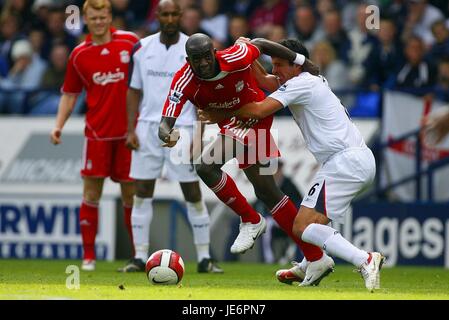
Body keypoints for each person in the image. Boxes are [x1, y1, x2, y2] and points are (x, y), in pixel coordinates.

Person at [199, 38, 385, 292]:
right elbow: (265, 80)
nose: (275, 71)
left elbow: (258, 110)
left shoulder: (302, 83)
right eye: (273, 65)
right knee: (310, 224)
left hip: (345, 161)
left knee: (303, 225)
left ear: (296, 65)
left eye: (279, 65)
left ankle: (365, 259)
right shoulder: (305, 80)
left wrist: (218, 115)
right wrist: (247, 54)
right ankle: (313, 262)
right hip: (352, 161)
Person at [159, 33, 334, 287]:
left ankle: (251, 220)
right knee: (268, 192)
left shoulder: (236, 56)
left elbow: (260, 43)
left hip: (253, 113)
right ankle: (316, 257)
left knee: (205, 165)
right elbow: (165, 122)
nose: (203, 63)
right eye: (196, 60)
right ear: (189, 60)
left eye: (207, 57)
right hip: (236, 120)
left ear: (214, 52)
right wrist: (167, 133)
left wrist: (301, 61)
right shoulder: (183, 80)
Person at [118, 0, 222, 274]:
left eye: (175, 13)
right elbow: (133, 91)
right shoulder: (141, 48)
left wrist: (199, 136)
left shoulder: (195, 48)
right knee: (142, 191)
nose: (170, 18)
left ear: (181, 15)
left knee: (191, 191)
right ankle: (139, 256)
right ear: (158, 16)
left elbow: (203, 97)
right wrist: (130, 128)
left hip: (184, 127)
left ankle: (204, 258)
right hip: (147, 127)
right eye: (165, 13)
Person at [50, 0, 139, 271]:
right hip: (97, 134)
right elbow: (70, 94)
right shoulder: (79, 54)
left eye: (103, 16)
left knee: (131, 197)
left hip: (129, 134)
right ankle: (88, 256)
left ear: (110, 16)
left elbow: (147, 80)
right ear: (85, 18)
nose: (99, 21)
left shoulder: (131, 43)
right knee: (91, 194)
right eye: (94, 17)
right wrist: (59, 125)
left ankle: (138, 255)